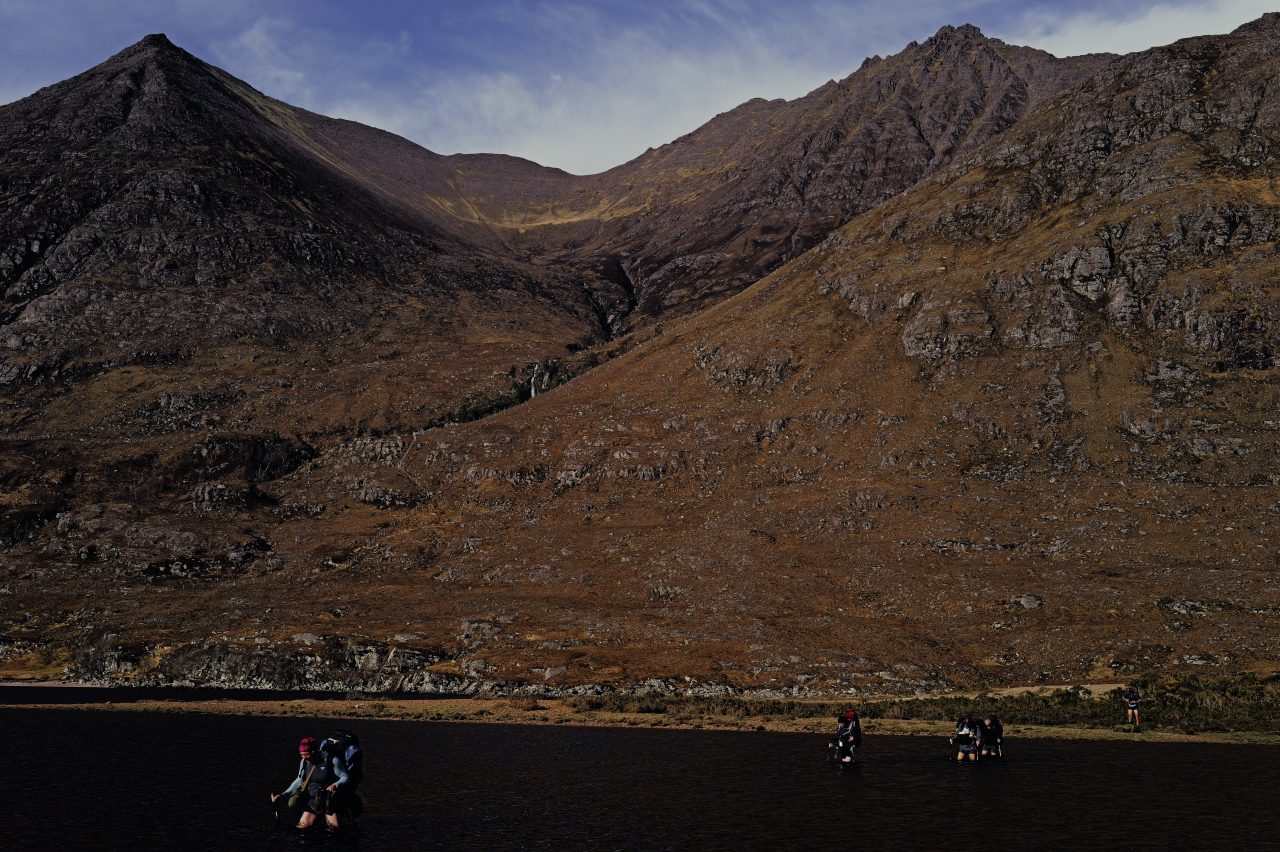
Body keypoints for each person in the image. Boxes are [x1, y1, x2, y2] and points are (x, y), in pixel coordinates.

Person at [271, 736, 348, 830]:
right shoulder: (303, 762)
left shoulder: (331, 759)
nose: (304, 757)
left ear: (314, 751)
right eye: (301, 754)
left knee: (335, 829)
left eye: (306, 754)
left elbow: (345, 777)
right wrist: (283, 795)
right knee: (303, 826)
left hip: (330, 801)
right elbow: (299, 781)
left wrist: (335, 785)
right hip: (314, 801)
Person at [320, 730, 364, 823]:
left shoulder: (329, 751)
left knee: (341, 801)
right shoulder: (348, 751)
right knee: (345, 800)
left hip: (342, 777)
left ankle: (343, 819)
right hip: (348, 777)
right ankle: (349, 820)